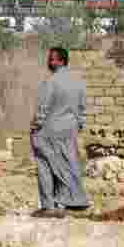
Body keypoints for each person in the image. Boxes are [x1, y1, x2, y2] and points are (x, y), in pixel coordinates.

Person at [30, 46, 91, 218]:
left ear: (61, 61)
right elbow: (82, 109)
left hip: (49, 130)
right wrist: (78, 125)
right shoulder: (78, 82)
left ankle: (49, 206)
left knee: (45, 165)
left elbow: (43, 109)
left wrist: (35, 126)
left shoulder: (50, 82)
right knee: (67, 164)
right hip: (69, 130)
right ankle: (68, 202)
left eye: (52, 59)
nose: (49, 62)